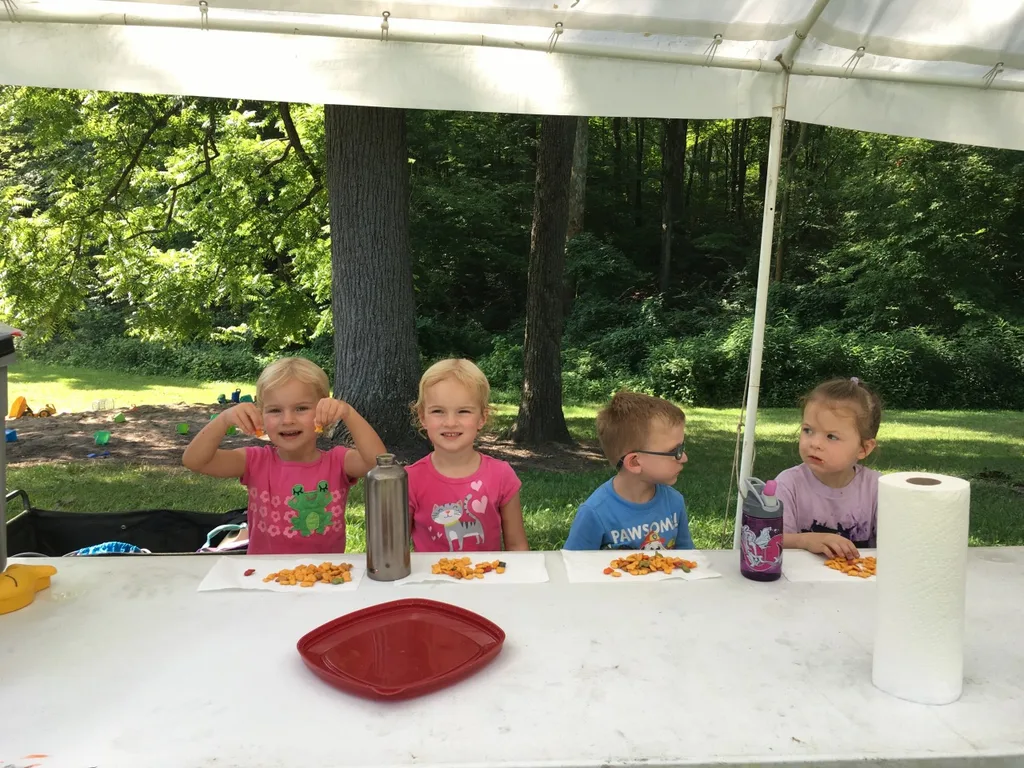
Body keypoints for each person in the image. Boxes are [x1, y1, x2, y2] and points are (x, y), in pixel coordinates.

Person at [182, 356, 385, 554]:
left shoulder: (338, 462)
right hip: (264, 572)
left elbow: (379, 463)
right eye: (275, 410)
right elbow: (195, 461)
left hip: (324, 572)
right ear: (261, 415)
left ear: (323, 411)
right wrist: (224, 419)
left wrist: (348, 413)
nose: (287, 420)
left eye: (301, 408)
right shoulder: (254, 461)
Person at [406, 359, 528, 552]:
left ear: (482, 418)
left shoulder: (502, 476)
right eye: (438, 411)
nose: (450, 422)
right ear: (422, 417)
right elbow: (393, 549)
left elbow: (517, 546)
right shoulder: (408, 480)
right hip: (429, 573)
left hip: (487, 572)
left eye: (463, 411)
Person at [564, 390, 694, 551]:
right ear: (634, 462)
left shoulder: (674, 502)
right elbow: (573, 563)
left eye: (682, 448)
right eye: (675, 451)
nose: (684, 458)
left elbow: (687, 557)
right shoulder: (595, 513)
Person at [777, 376, 883, 560]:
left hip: (861, 576)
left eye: (831, 437)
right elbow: (770, 540)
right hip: (799, 576)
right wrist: (805, 541)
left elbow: (899, 542)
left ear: (863, 448)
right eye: (808, 430)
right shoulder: (788, 485)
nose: (815, 443)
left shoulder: (876, 488)